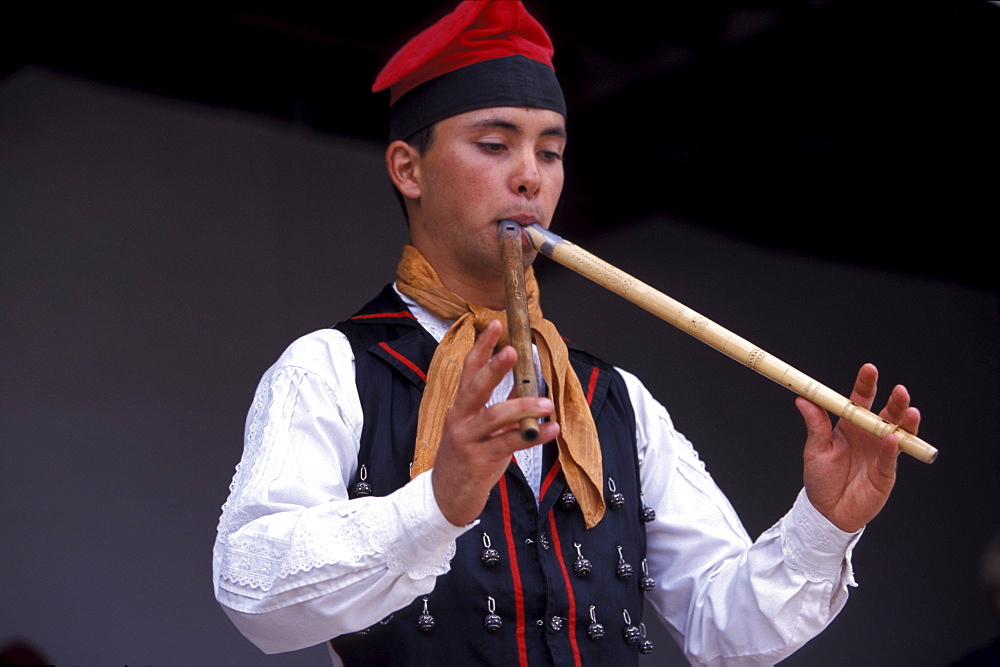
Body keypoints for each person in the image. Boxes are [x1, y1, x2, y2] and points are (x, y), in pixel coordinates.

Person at [212, 2, 921, 664]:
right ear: (408, 168)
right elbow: (252, 589)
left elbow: (720, 622)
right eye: (494, 144)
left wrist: (824, 524)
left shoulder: (615, 401)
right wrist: (434, 505)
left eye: (549, 153)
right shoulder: (332, 370)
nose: (529, 176)